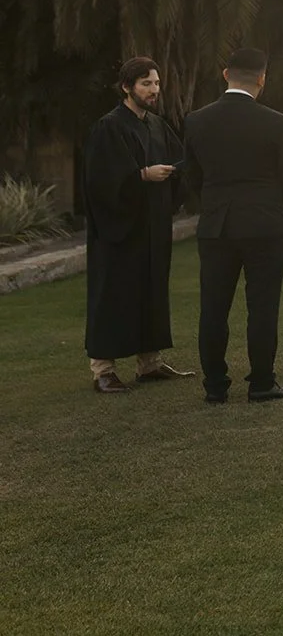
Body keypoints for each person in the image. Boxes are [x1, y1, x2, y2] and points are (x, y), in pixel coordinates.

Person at [183, 48, 283, 403]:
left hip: (216, 225)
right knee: (263, 306)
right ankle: (262, 382)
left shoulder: (197, 120)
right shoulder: (275, 121)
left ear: (225, 75)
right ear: (262, 78)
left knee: (213, 307)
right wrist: (270, 206)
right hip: (265, 225)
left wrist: (213, 204)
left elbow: (191, 175)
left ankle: (215, 386)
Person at [81, 58, 194, 393]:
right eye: (146, 84)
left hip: (152, 227)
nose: (154, 90)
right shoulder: (110, 126)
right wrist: (142, 175)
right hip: (118, 229)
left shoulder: (157, 126)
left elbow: (181, 160)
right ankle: (103, 369)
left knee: (151, 292)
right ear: (127, 87)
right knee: (113, 294)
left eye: (156, 83)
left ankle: (149, 364)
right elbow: (100, 180)